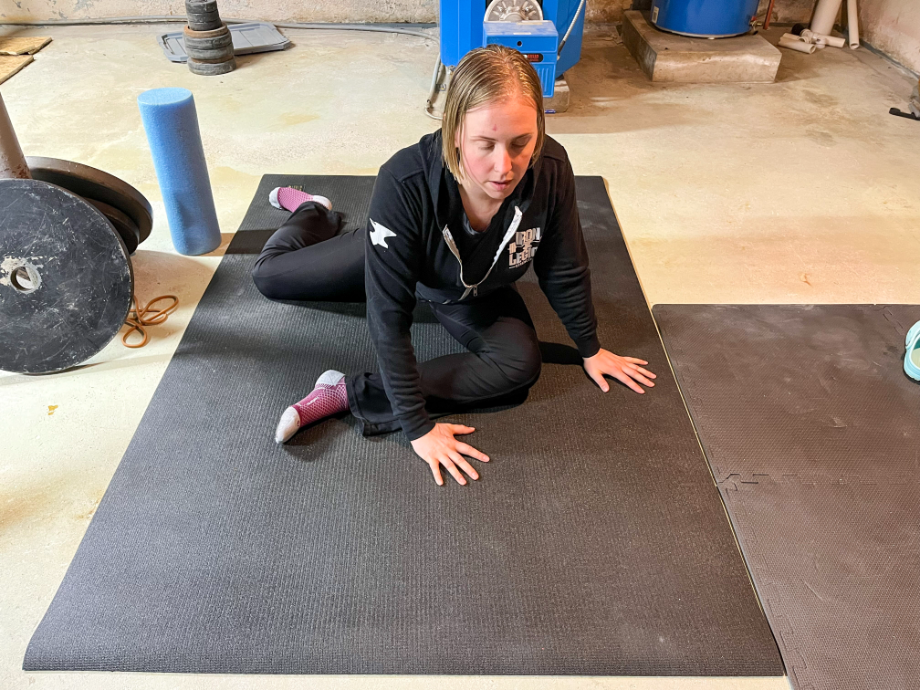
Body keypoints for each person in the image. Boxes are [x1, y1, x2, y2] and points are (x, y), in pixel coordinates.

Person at [251, 45, 656, 486]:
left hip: (475, 288)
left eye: (521, 143)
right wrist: (418, 426)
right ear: (455, 133)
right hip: (401, 255)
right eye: (485, 145)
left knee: (520, 366)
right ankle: (312, 211)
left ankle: (343, 391)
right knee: (268, 277)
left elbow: (565, 265)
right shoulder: (404, 181)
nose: (505, 167)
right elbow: (389, 314)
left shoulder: (552, 168)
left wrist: (590, 347)